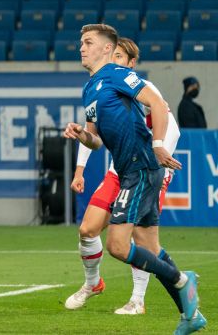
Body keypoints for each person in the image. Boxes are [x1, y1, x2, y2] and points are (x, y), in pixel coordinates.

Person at [64, 24, 204, 334]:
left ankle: (182, 281)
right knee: (150, 249)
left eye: (88, 42)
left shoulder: (116, 74)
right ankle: (190, 315)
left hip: (140, 168)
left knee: (117, 245)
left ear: (105, 49)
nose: (81, 48)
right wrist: (82, 135)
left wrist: (157, 146)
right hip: (130, 170)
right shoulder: (89, 88)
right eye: (81, 43)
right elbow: (97, 140)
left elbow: (156, 102)